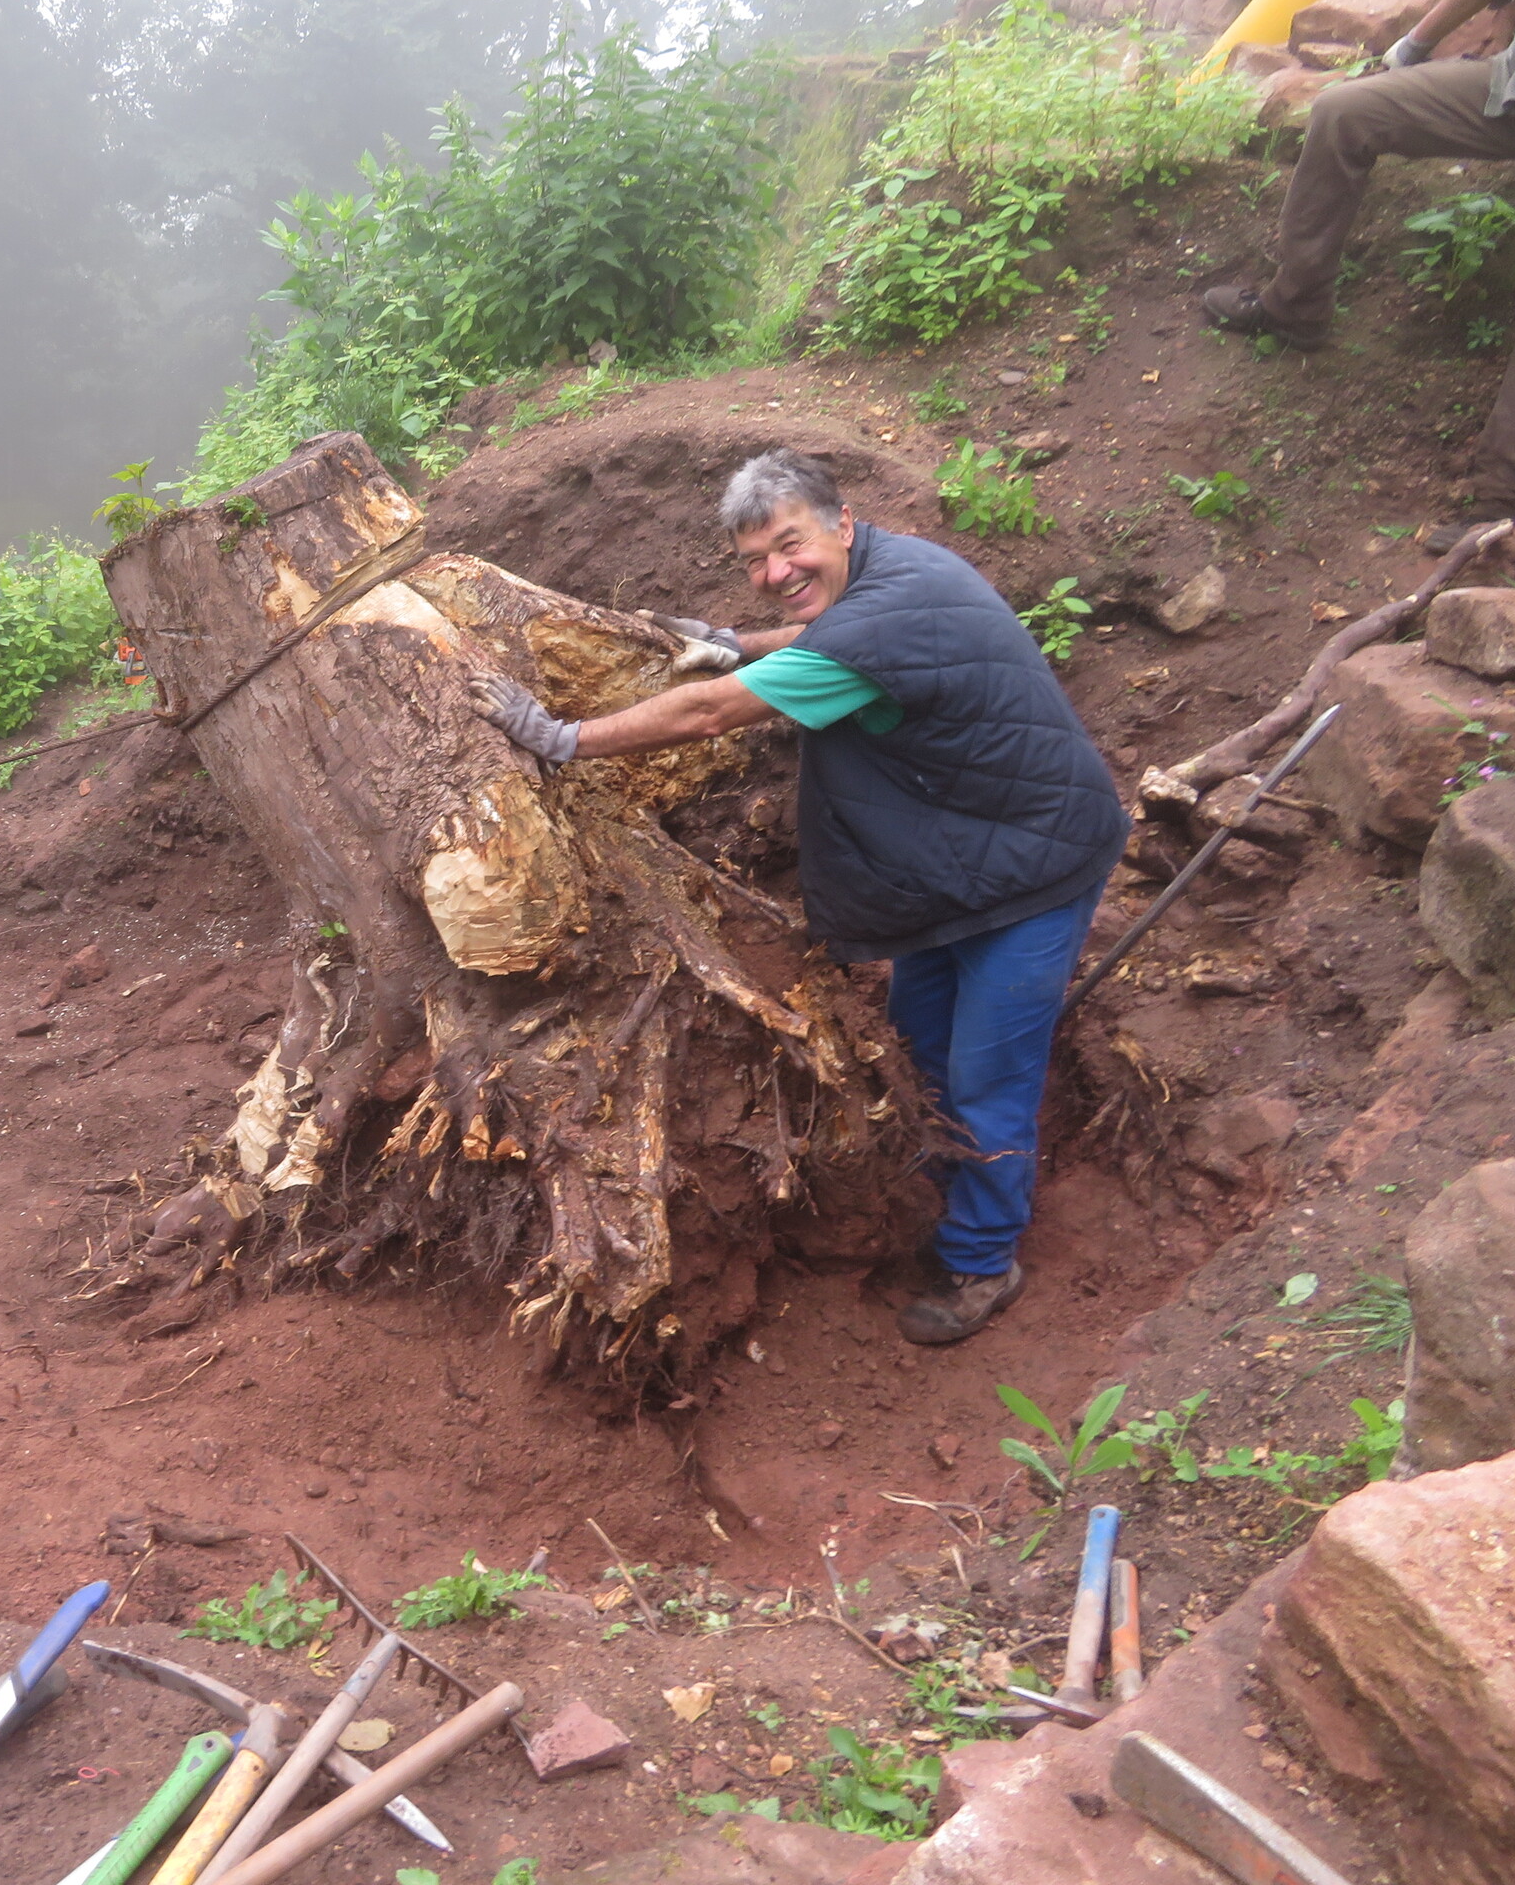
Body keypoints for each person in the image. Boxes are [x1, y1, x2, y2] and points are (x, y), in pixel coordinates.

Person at [467, 449, 1129, 1345]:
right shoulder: (897, 569)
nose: (777, 572)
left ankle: (983, 1262)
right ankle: (941, 1199)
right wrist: (735, 642)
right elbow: (830, 641)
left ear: (841, 523)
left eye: (790, 545)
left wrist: (558, 736)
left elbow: (711, 712)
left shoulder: (884, 618)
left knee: (986, 1083)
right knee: (922, 1045)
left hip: (1037, 870)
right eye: (754, 560)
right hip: (970, 861)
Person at [1202, 0, 1515, 549]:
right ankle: (1295, 305)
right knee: (1344, 112)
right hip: (1512, 92)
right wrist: (1412, 47)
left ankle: (1504, 503)